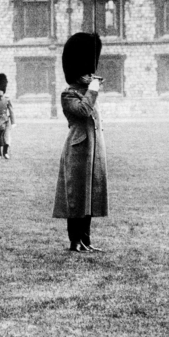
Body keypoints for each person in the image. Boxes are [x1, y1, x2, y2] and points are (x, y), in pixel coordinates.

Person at [53, 33, 108, 253]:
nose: (89, 74)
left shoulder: (86, 91)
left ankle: (87, 239)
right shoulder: (69, 95)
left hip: (94, 149)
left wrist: (91, 87)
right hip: (78, 150)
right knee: (76, 197)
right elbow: (84, 111)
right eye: (85, 70)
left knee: (91, 197)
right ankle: (75, 241)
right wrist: (93, 89)